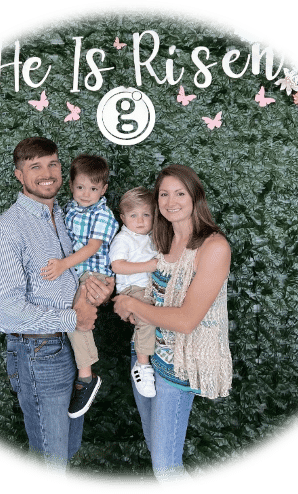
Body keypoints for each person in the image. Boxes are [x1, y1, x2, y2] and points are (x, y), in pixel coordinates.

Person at [0, 137, 114, 484]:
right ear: (18, 175)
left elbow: (72, 279)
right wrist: (74, 318)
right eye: (35, 166)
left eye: (53, 164)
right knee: (50, 461)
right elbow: (4, 311)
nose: (47, 173)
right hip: (39, 353)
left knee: (66, 452)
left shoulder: (62, 214)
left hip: (69, 348)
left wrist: (101, 289)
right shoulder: (7, 230)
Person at [113, 164, 232, 491]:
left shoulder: (214, 247)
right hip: (147, 360)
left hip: (180, 366)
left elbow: (186, 320)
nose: (170, 200)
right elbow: (144, 293)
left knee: (166, 467)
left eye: (180, 193)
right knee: (156, 453)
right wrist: (128, 308)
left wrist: (133, 306)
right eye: (163, 194)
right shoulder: (158, 240)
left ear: (196, 196)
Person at [41, 154, 119, 418]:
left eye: (94, 189)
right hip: (75, 275)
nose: (86, 194)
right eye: (80, 187)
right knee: (66, 313)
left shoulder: (103, 214)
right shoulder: (69, 209)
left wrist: (62, 265)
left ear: (104, 189)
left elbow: (92, 248)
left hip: (94, 275)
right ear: (71, 185)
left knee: (76, 316)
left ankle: (86, 377)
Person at [109, 187, 158, 398]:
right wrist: (149, 266)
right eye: (133, 215)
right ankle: (142, 365)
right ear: (123, 217)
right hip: (131, 289)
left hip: (148, 288)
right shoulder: (124, 239)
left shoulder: (150, 237)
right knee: (146, 316)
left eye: (146, 215)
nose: (140, 220)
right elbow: (117, 266)